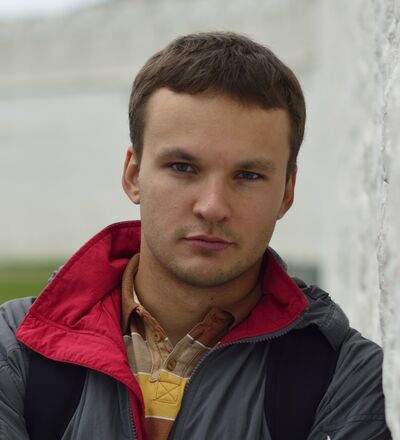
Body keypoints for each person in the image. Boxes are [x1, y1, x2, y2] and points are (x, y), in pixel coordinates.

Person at [0, 32, 391, 440]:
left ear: (287, 193)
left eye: (248, 175)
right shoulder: (14, 347)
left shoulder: (347, 378)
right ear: (133, 175)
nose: (212, 206)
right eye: (183, 168)